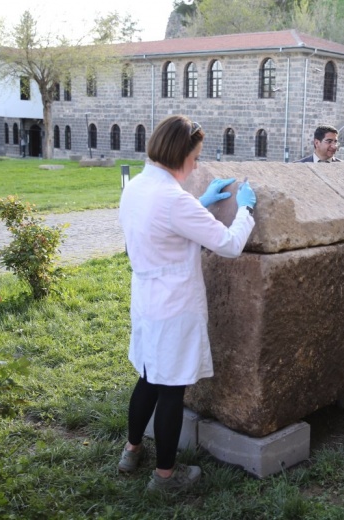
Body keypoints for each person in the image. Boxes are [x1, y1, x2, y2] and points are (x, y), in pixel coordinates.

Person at [117, 115, 257, 492]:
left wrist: (200, 203)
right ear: (179, 154)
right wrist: (245, 210)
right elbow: (228, 245)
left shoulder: (137, 186)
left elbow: (165, 224)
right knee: (171, 391)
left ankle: (131, 451)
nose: (196, 164)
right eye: (194, 157)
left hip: (147, 298)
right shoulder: (174, 199)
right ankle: (165, 478)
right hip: (173, 305)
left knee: (148, 377)